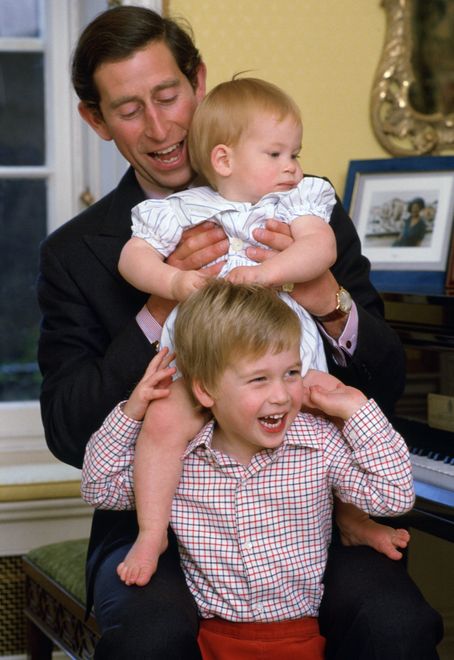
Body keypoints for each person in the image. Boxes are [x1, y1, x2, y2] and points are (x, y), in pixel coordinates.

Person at [36, 5, 443, 659]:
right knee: (150, 638)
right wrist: (162, 306)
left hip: (308, 498)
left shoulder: (298, 202)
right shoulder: (80, 253)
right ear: (96, 120)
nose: (162, 127)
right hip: (165, 509)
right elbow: (65, 430)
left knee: (397, 626)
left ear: (199, 83)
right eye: (130, 108)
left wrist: (327, 300)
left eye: (169, 96)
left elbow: (389, 381)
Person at [81, 279, 416, 660]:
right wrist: (133, 410)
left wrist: (356, 409)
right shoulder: (179, 461)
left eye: (291, 373)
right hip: (209, 643)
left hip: (302, 641)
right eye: (259, 379)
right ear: (205, 391)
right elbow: (99, 488)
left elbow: (394, 495)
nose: (281, 394)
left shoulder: (318, 444)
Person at [117, 77, 338, 584]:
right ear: (224, 160)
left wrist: (266, 274)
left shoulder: (297, 201)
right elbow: (133, 257)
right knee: (162, 426)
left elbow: (319, 249)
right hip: (201, 362)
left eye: (295, 153)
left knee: (330, 422)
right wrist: (173, 280)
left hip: (283, 360)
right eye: (277, 153)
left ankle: (351, 518)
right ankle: (152, 532)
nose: (293, 166)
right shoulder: (181, 210)